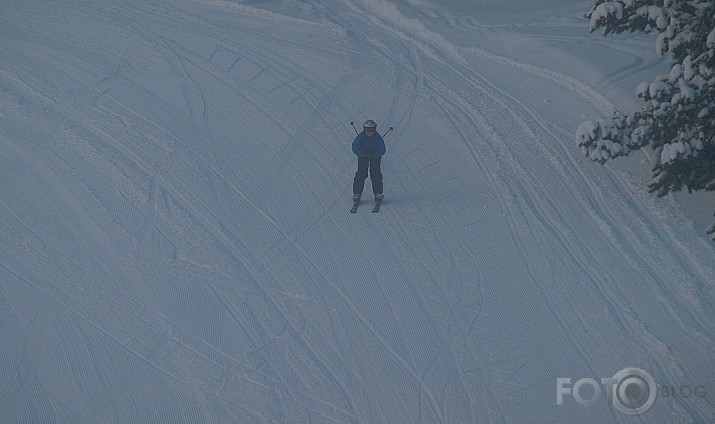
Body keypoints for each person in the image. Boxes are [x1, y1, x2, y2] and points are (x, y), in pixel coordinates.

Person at [352, 120, 386, 204]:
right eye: (367, 130)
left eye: (371, 130)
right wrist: (362, 153)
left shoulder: (377, 138)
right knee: (361, 173)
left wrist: (374, 154)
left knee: (375, 173)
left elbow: (382, 149)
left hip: (375, 157)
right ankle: (357, 193)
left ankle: (378, 193)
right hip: (363, 156)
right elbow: (355, 147)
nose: (369, 132)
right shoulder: (361, 137)